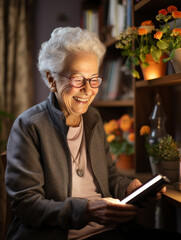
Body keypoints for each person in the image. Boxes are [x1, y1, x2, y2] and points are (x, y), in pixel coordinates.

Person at [5, 27, 179, 240]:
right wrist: (87, 210)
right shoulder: (29, 126)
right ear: (51, 80)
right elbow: (26, 205)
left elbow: (109, 176)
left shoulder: (93, 118)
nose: (88, 90)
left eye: (94, 79)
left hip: (109, 230)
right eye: (77, 79)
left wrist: (128, 188)